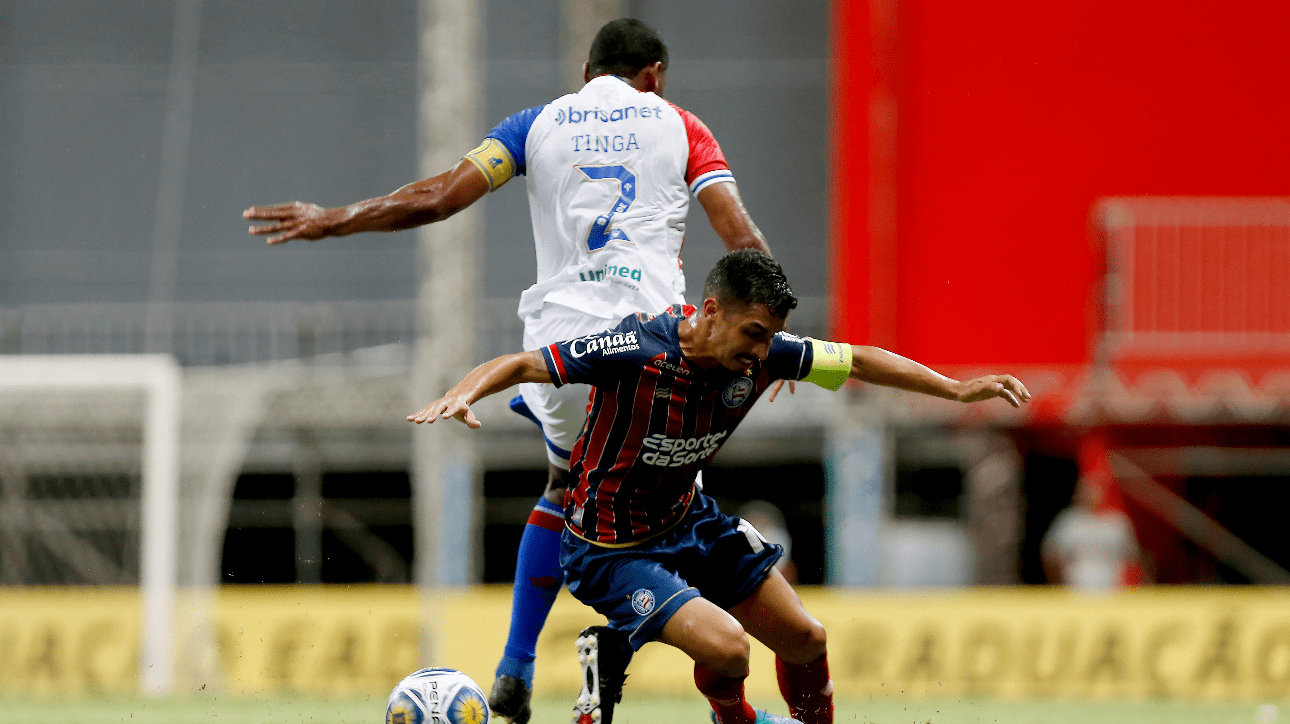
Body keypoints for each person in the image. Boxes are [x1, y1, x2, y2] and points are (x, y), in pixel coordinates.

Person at [243, 19, 778, 723]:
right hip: (653, 351)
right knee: (662, 516)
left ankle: (516, 667)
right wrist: (768, 332)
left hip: (559, 347)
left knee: (565, 485)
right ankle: (635, 669)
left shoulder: (536, 125)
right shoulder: (680, 125)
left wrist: (333, 218)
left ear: (586, 70)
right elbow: (741, 240)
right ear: (655, 74)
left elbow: (437, 198)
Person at [408, 250, 1031, 724]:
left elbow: (862, 359)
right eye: (753, 334)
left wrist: (954, 389)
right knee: (732, 652)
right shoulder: (636, 348)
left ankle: (618, 654)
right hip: (609, 551)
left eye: (770, 336)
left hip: (692, 524)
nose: (763, 353)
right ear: (711, 313)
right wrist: (462, 392)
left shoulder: (767, 354)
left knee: (808, 640)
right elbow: (524, 364)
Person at [1042, 474, 1145, 591]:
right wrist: (1057, 586)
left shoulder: (1117, 523)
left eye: (1094, 490)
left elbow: (1134, 558)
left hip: (1111, 591)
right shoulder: (1068, 522)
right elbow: (1050, 556)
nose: (1090, 494)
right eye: (1085, 490)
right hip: (1076, 591)